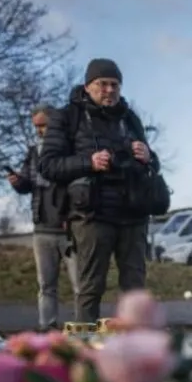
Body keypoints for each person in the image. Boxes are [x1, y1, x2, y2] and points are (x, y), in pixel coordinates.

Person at [39, 59, 160, 323]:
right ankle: (84, 352)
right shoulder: (67, 116)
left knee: (135, 291)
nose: (109, 90)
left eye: (114, 85)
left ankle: (136, 353)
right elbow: (47, 165)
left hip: (133, 214)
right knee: (90, 288)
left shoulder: (130, 119)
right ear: (87, 86)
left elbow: (154, 165)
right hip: (92, 215)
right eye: (102, 84)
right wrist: (88, 162)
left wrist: (149, 156)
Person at [8, 103, 78, 330]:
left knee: (81, 286)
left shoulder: (71, 151)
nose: (39, 131)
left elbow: (79, 187)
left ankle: (84, 331)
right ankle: (47, 330)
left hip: (70, 231)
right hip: (42, 229)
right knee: (46, 285)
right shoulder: (33, 153)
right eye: (36, 127)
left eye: (43, 126)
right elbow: (27, 185)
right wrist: (18, 182)